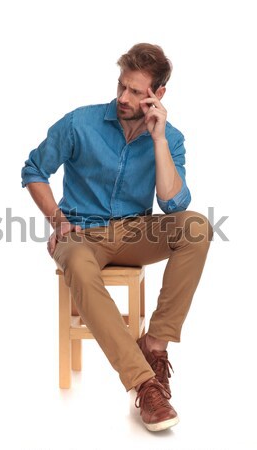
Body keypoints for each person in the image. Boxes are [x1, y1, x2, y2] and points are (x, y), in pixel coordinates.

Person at [21, 43, 213, 432]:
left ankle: (155, 345)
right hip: (80, 232)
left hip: (136, 231)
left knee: (197, 228)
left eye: (136, 92)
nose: (123, 98)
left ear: (157, 96)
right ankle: (145, 384)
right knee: (74, 259)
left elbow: (173, 202)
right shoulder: (81, 123)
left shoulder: (171, 138)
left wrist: (158, 140)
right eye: (121, 86)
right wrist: (57, 220)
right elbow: (34, 170)